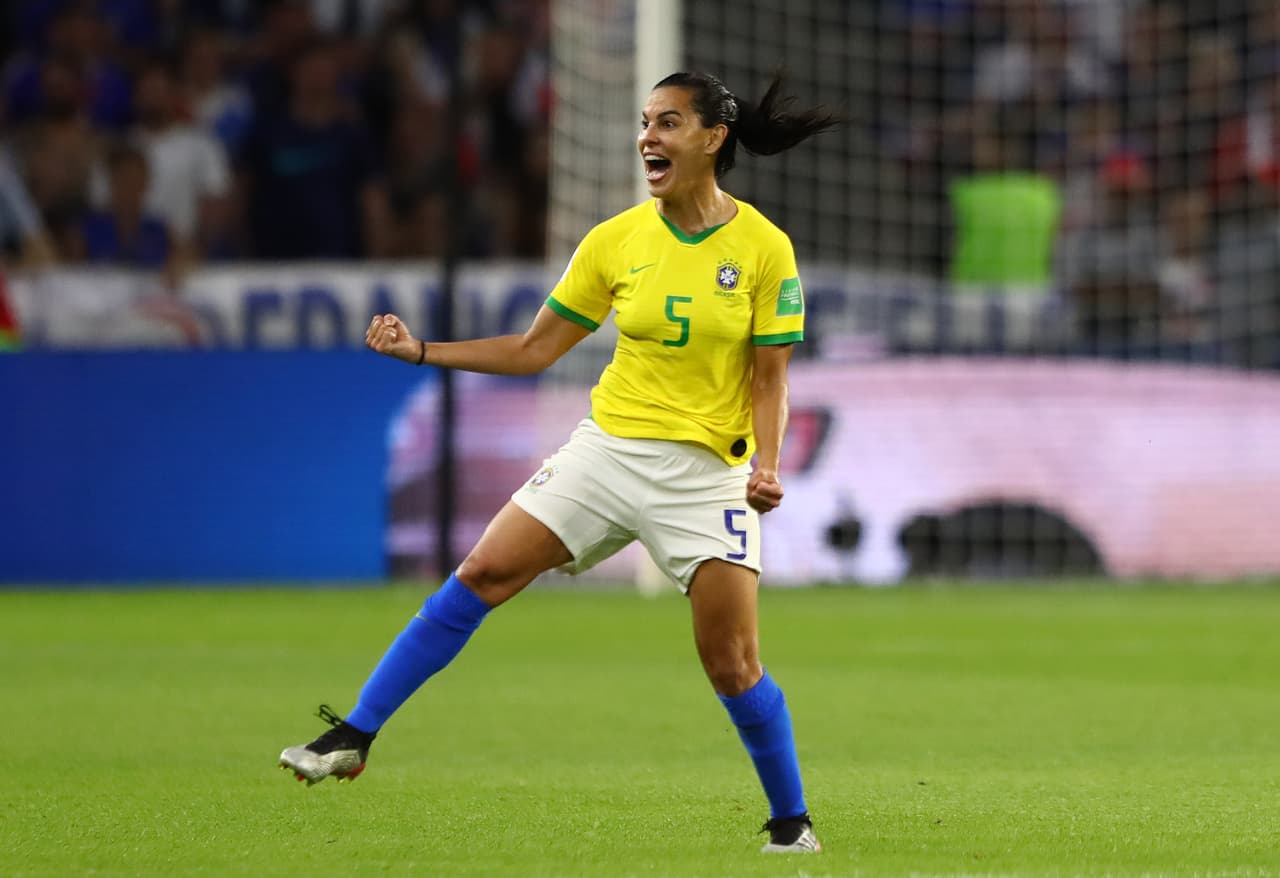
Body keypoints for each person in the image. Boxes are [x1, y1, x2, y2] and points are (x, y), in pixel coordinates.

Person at [279, 70, 835, 854]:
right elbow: (537, 348)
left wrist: (767, 465)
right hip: (607, 451)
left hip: (707, 475)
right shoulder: (614, 241)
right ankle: (354, 735)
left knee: (732, 663)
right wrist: (422, 350)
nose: (649, 137)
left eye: (669, 123)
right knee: (481, 574)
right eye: (646, 122)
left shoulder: (763, 248)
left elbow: (770, 378)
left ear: (713, 138)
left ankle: (791, 826)